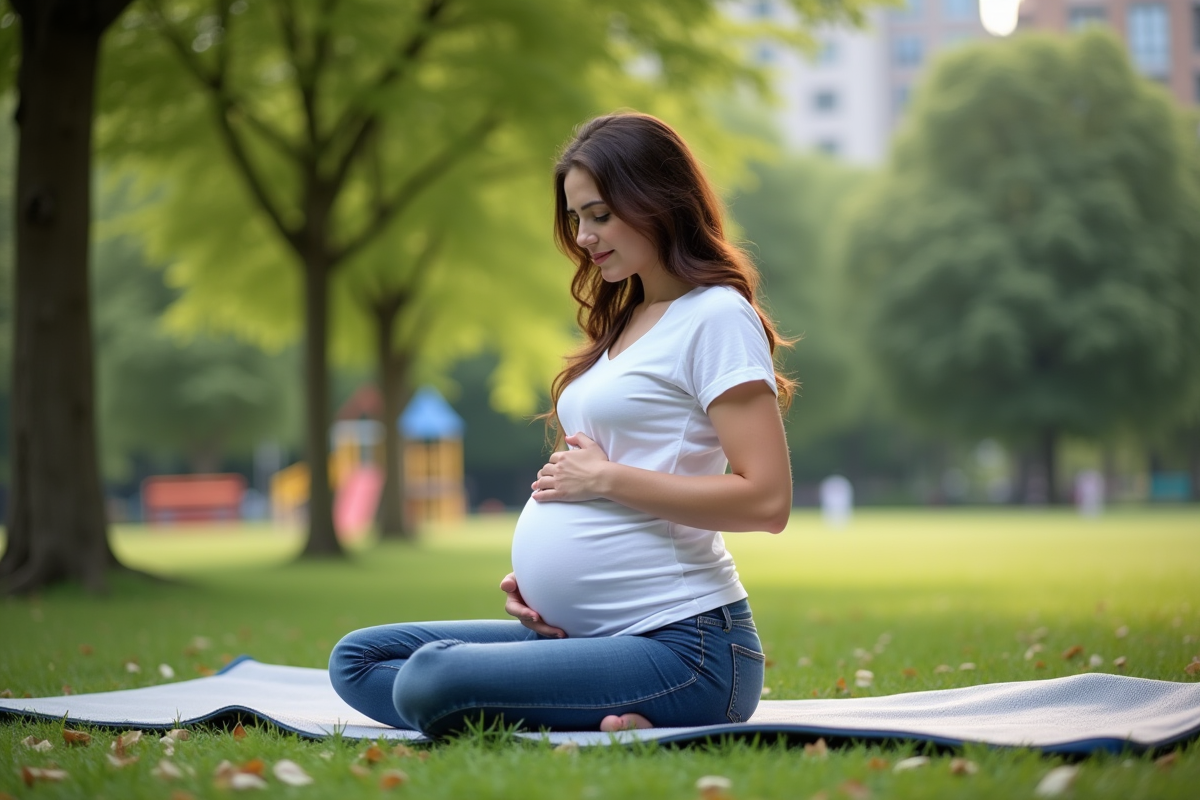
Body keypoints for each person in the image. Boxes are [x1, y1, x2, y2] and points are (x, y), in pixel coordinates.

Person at [328, 112, 794, 738]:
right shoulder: (628, 318)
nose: (583, 236)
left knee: (430, 678)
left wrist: (604, 481)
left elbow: (767, 500)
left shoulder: (715, 316)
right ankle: (582, 709)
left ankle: (601, 706)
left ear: (658, 199)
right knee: (359, 659)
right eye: (577, 218)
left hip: (691, 650)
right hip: (586, 632)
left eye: (599, 215)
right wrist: (549, 589)